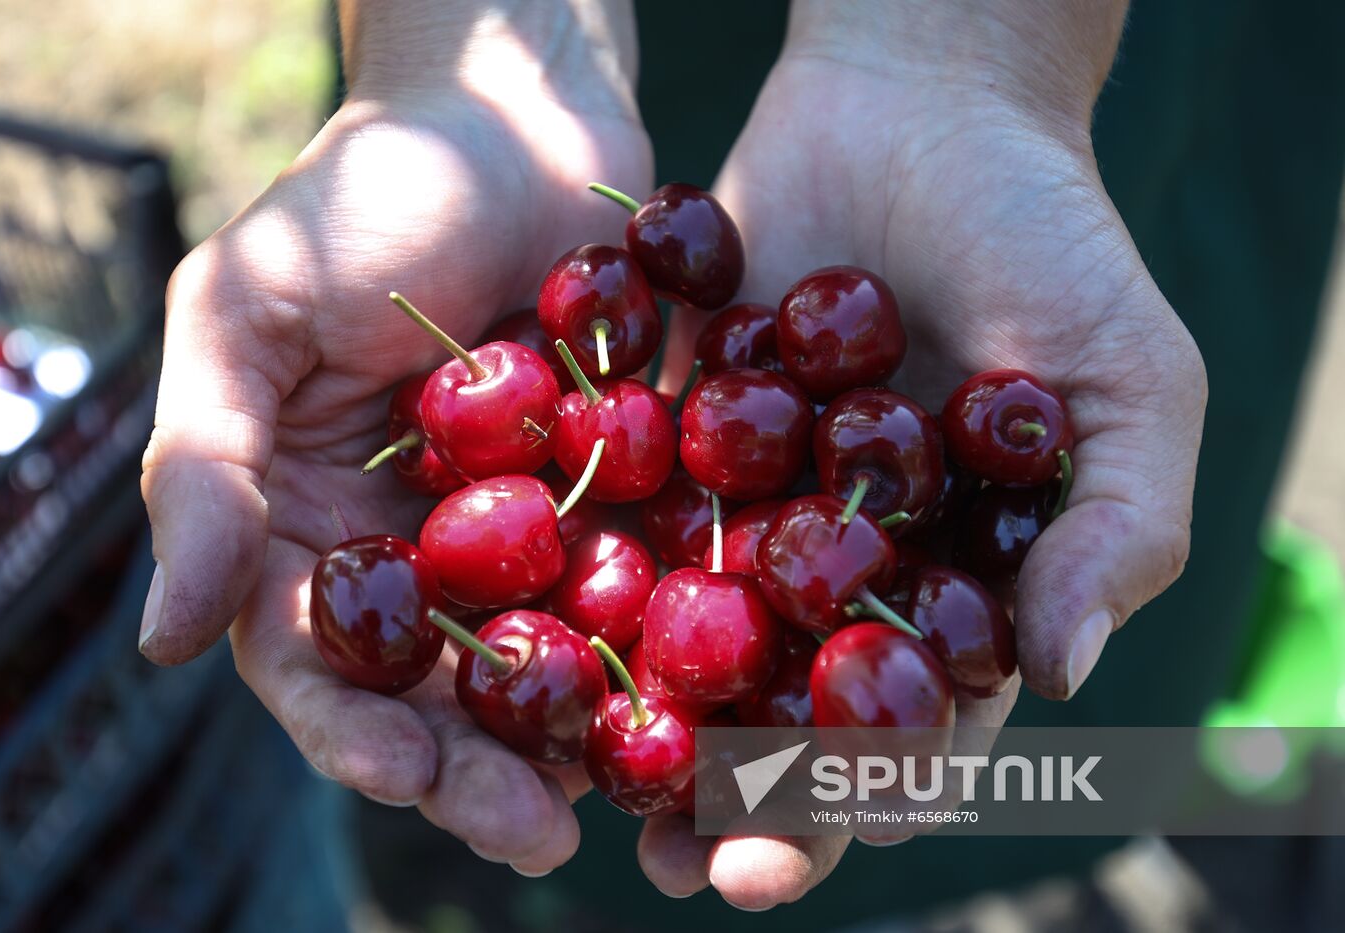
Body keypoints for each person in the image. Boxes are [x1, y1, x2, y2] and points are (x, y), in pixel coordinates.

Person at [134, 0, 1343, 918]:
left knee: (987, 711)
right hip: (565, 147)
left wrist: (964, 66)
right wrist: (461, 67)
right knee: (657, 808)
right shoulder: (589, 421)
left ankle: (987, 877)